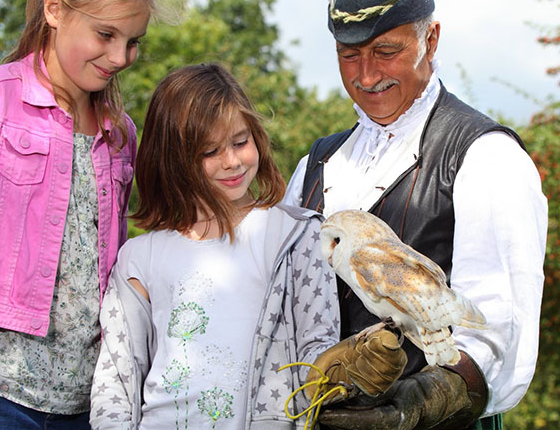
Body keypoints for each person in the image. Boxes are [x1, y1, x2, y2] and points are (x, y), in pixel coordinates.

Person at [284, 0, 548, 430]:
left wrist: (424, 399)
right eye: (348, 54)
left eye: (385, 50)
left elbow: (498, 325)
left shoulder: (485, 157)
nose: (366, 75)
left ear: (431, 38)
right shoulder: (314, 166)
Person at [0, 0, 156, 430]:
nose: (120, 56)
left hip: (90, 404)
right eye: (105, 35)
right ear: (54, 8)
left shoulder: (122, 135)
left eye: (133, 40)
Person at [90, 63, 375, 429]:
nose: (232, 161)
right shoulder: (139, 257)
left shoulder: (296, 236)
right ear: (174, 159)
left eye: (240, 142)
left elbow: (316, 356)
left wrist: (347, 370)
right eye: (210, 151)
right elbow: (116, 382)